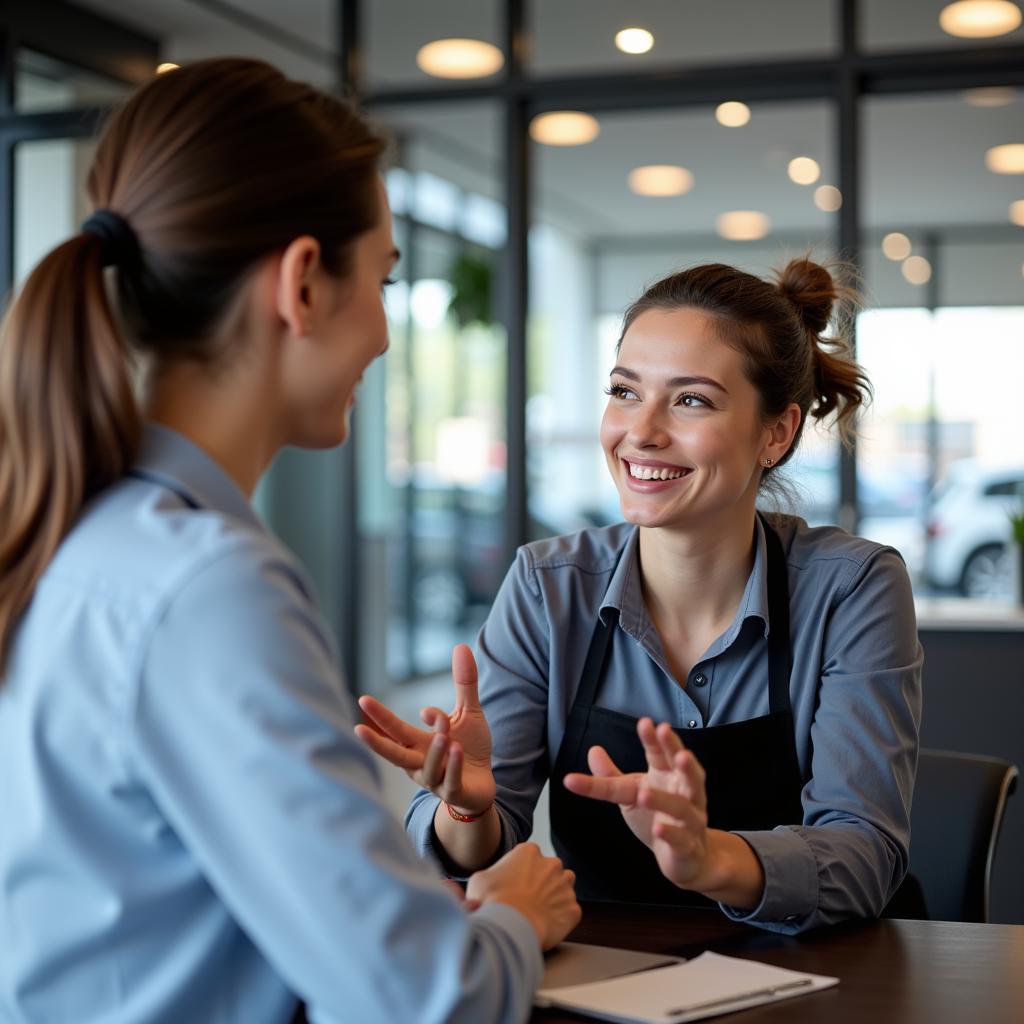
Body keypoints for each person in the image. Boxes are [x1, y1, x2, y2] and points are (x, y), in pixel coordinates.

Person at [0, 59, 580, 1024]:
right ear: (304, 283)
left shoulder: (78, 531)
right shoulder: (210, 584)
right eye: (385, 281)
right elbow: (429, 1001)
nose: (388, 336)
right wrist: (511, 919)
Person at [357, 258, 924, 934]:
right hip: (606, 975)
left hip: (820, 975)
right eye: (625, 391)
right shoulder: (547, 586)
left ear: (776, 433)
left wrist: (709, 857)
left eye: (691, 399)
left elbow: (866, 854)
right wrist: (468, 810)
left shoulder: (852, 587)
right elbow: (480, 850)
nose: (642, 431)